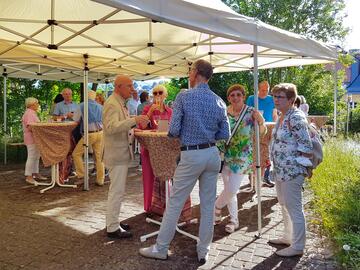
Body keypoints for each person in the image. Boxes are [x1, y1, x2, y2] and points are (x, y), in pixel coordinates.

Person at [139, 59, 230, 264]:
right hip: (212, 154)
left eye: (190, 70)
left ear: (196, 72)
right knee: (208, 205)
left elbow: (173, 131)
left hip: (191, 155)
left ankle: (161, 248)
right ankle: (203, 250)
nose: (189, 73)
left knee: (175, 203)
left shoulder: (184, 96)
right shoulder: (219, 101)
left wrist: (187, 131)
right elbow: (225, 132)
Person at [269, 83, 313, 257]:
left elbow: (306, 146)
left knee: (294, 207)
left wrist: (304, 168)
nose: (276, 99)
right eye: (275, 96)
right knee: (284, 203)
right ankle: (288, 237)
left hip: (292, 171)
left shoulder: (296, 117)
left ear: (291, 100)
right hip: (280, 170)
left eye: (280, 97)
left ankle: (298, 246)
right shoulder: (282, 116)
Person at [215, 84, 266, 233]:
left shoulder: (251, 112)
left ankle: (216, 208)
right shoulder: (224, 113)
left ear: (243, 96)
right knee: (229, 190)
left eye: (238, 94)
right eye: (232, 95)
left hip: (243, 157)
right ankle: (234, 220)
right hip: (226, 156)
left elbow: (261, 133)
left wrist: (261, 121)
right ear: (228, 98)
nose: (235, 97)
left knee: (231, 189)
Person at [103, 75, 149, 239]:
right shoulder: (112, 104)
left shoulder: (118, 102)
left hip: (119, 152)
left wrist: (133, 122)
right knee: (117, 191)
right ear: (118, 87)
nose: (132, 89)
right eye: (129, 86)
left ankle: (113, 221)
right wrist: (133, 121)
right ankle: (112, 227)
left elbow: (119, 123)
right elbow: (110, 128)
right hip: (116, 153)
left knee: (117, 190)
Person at [139, 85, 192, 220]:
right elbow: (142, 126)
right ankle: (154, 207)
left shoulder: (170, 111)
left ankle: (170, 207)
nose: (157, 95)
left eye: (160, 92)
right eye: (155, 93)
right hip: (152, 149)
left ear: (165, 95)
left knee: (171, 177)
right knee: (152, 179)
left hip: (169, 150)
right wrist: (150, 111)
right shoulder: (147, 109)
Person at [246, 81, 277, 187]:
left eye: (267, 89)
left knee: (267, 153)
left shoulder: (271, 99)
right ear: (258, 89)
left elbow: (274, 114)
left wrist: (275, 126)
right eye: (263, 89)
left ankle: (266, 177)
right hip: (254, 128)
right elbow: (247, 113)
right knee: (254, 153)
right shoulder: (251, 99)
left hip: (268, 128)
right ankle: (252, 177)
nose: (265, 91)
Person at [72, 90, 105, 186]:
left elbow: (75, 119)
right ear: (94, 97)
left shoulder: (82, 105)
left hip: (89, 134)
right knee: (99, 157)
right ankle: (100, 179)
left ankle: (82, 176)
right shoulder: (100, 106)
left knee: (76, 154)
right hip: (100, 132)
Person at [22, 97, 47, 185]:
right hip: (31, 138)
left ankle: (35, 174)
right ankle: (28, 176)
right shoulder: (29, 113)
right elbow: (30, 127)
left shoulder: (32, 112)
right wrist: (41, 128)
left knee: (36, 156)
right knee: (32, 156)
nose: (38, 105)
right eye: (36, 103)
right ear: (32, 104)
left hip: (35, 138)